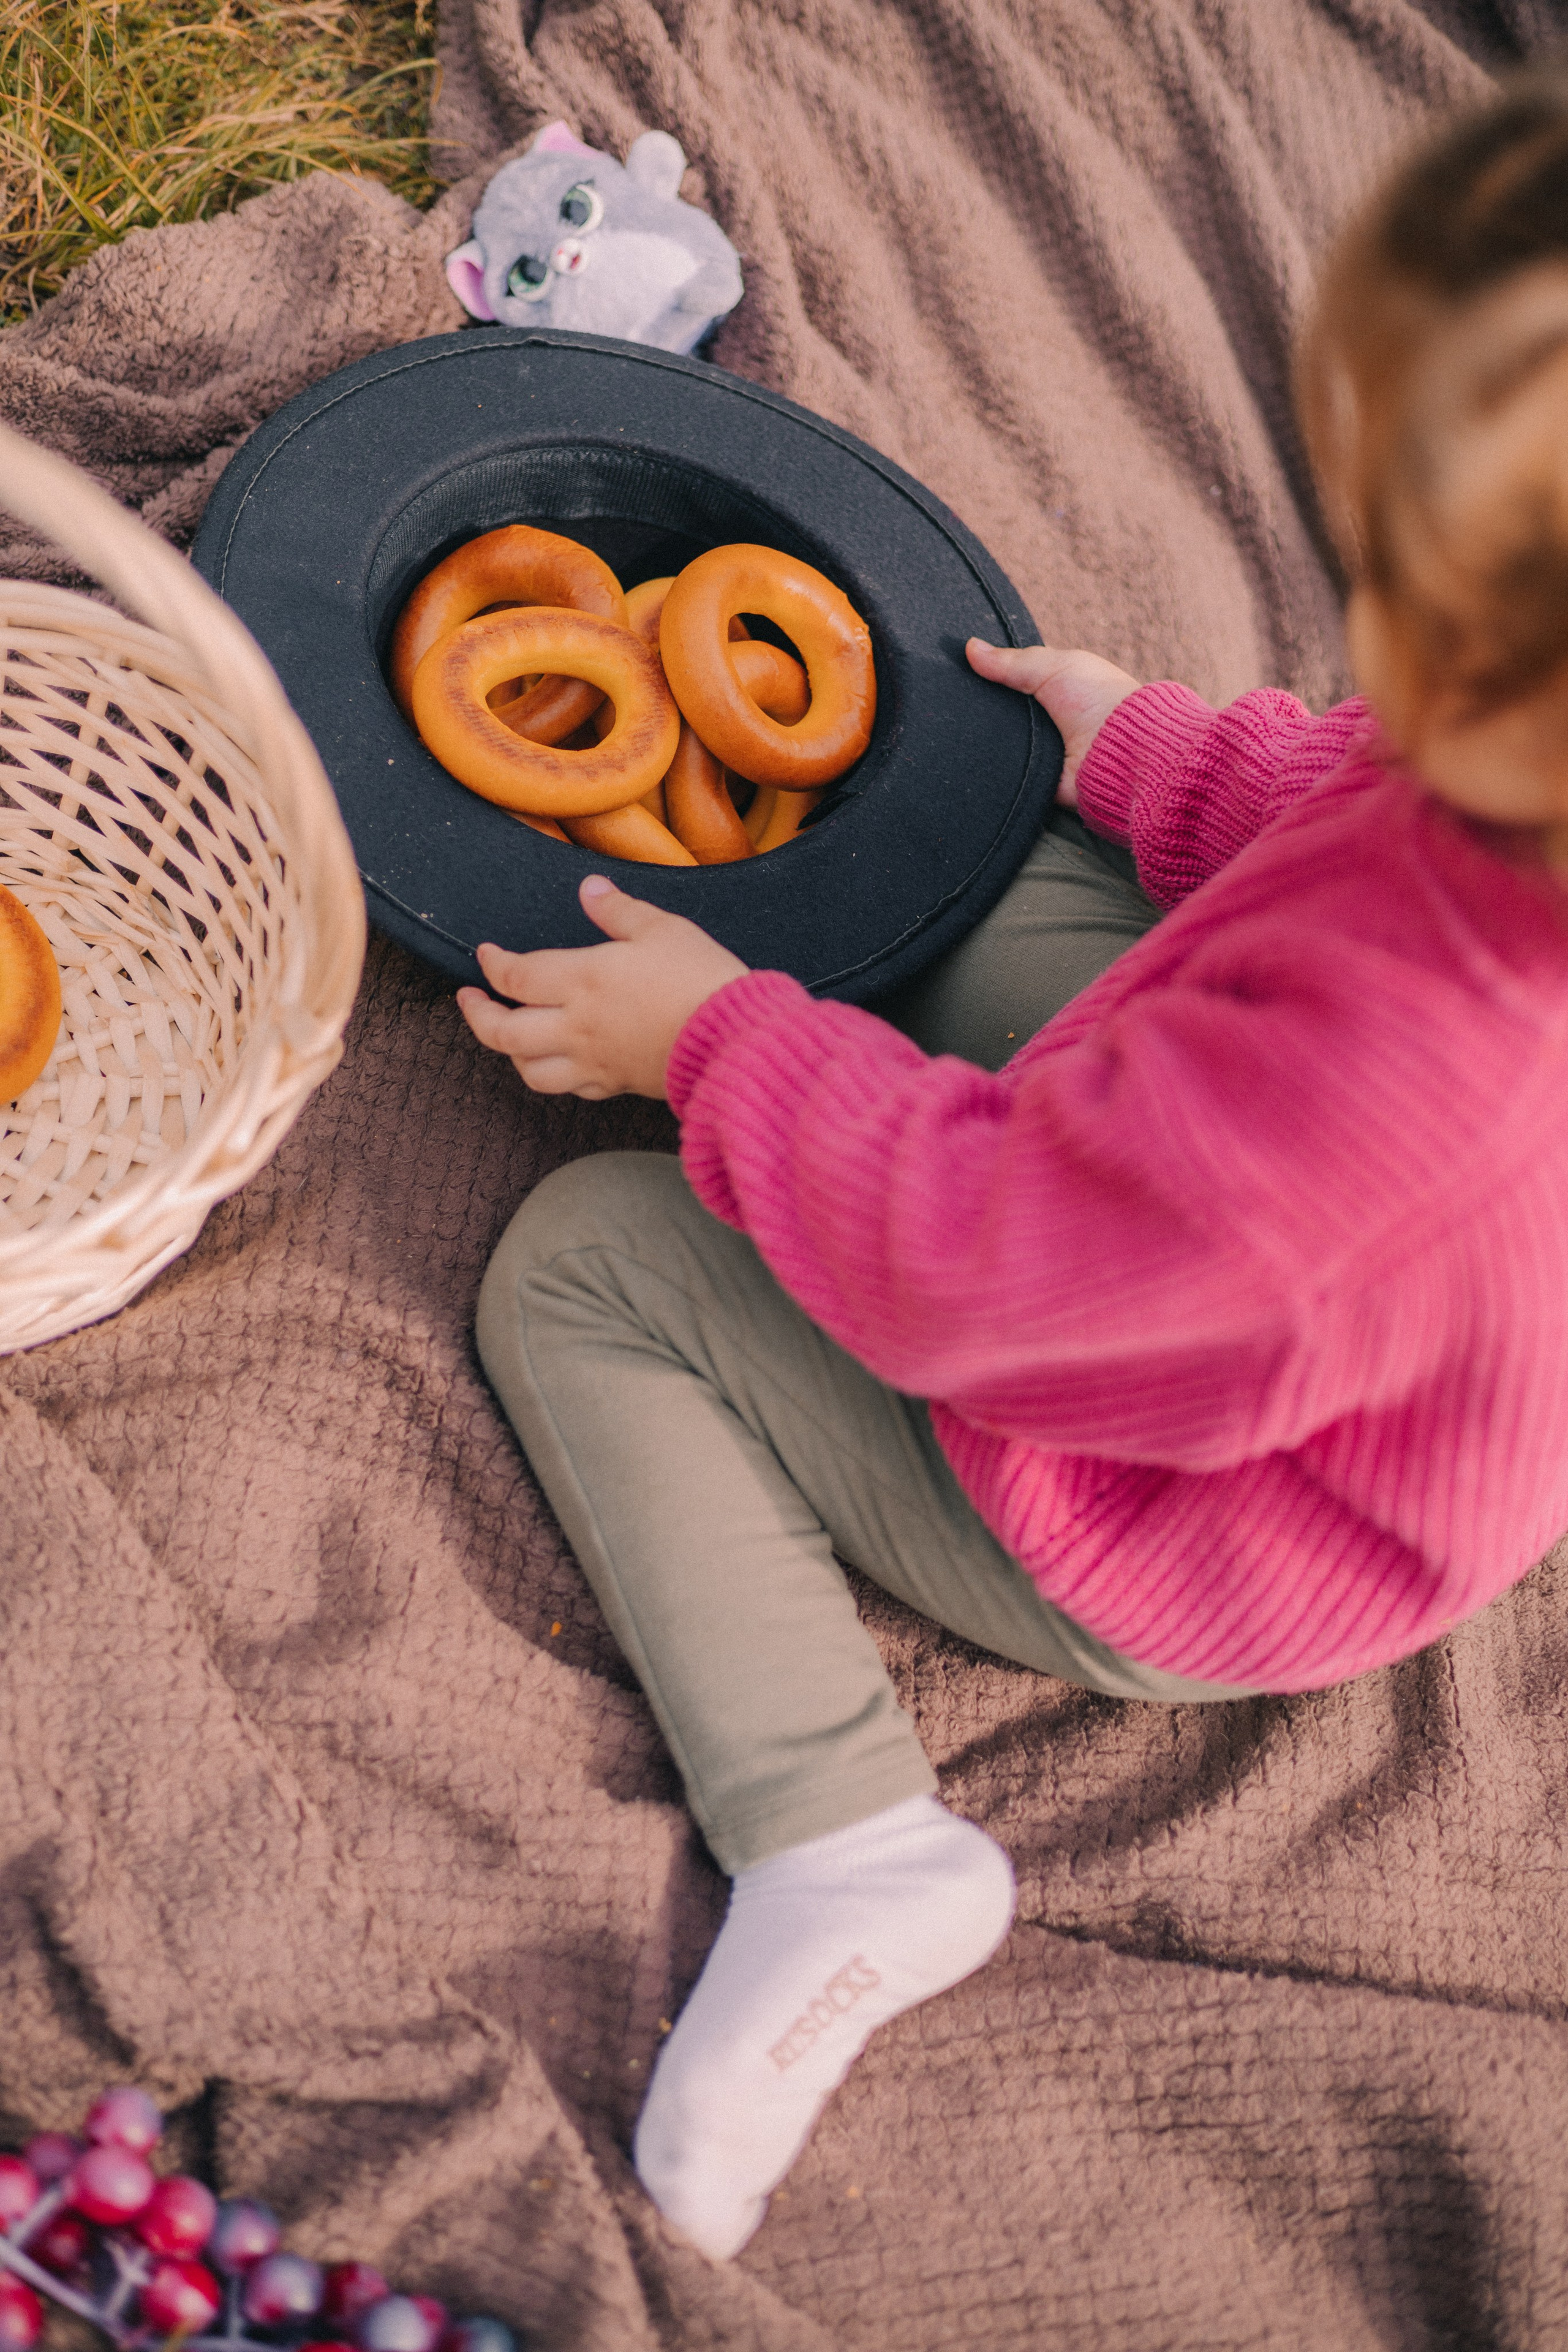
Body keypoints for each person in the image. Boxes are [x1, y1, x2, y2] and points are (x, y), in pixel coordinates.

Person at [459, 70, 1568, 2261]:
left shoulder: (1392, 1111)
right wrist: (1152, 751)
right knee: (978, 865)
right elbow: (1349, 802)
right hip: (1230, 1212)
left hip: (1161, 1505)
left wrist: (719, 1052)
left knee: (588, 1261)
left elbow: (995, 1274)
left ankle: (845, 1838)